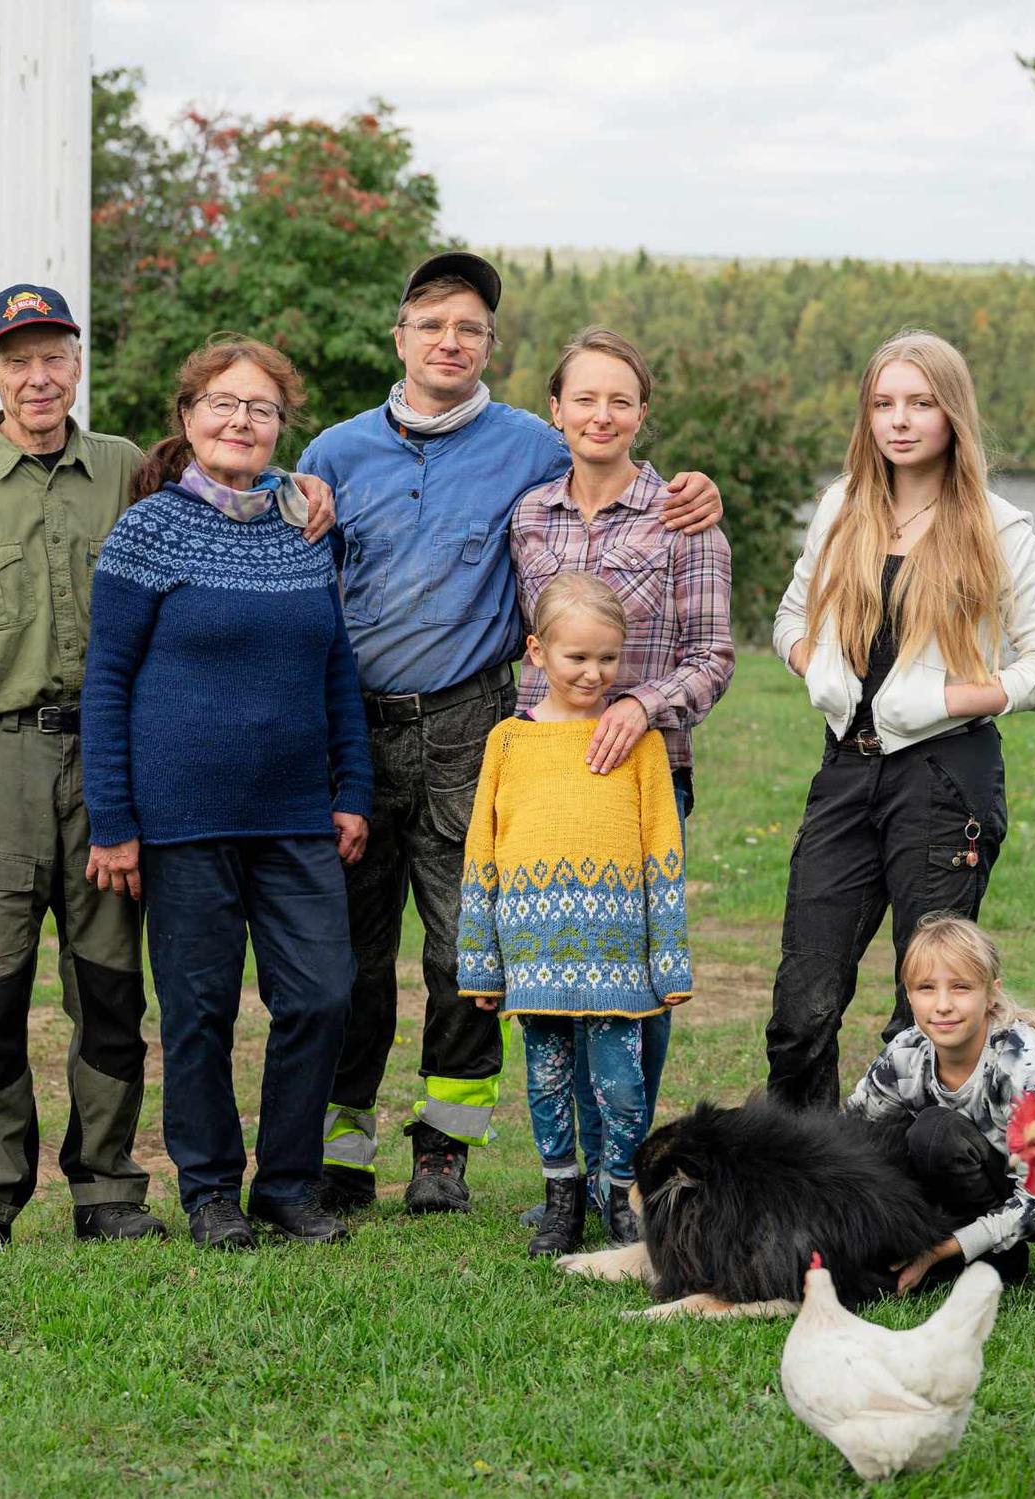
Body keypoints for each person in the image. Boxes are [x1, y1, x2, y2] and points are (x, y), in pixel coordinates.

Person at [297, 251, 722, 1216]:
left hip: (468, 723)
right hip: (354, 727)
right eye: (431, 325)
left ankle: (443, 1150)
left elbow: (610, 460)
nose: (450, 342)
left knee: (464, 948)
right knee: (346, 953)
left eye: (471, 329)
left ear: (492, 345)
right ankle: (341, 1144)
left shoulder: (528, 445)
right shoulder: (332, 453)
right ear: (398, 338)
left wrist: (695, 492)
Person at [80, 337, 371, 1251]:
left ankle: (287, 1187)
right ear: (187, 418)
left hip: (294, 815)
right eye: (222, 403)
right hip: (181, 821)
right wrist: (115, 820)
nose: (240, 421)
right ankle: (209, 1190)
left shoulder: (303, 526)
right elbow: (107, 678)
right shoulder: (147, 530)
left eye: (260, 409)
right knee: (198, 1012)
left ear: (283, 428)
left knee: (322, 996)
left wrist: (351, 787)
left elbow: (335, 670)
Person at [767, 330, 1035, 1109]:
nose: (898, 421)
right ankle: (806, 1182)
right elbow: (789, 617)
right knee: (801, 1006)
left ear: (952, 415)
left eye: (919, 403)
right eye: (882, 403)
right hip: (846, 768)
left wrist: (944, 699)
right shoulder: (841, 505)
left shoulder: (996, 528)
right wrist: (822, 668)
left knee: (922, 1011)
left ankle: (905, 1186)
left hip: (942, 783)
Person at [507, 328, 734, 1224]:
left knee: (632, 979)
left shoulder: (681, 514)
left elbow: (712, 655)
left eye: (620, 400)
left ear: (642, 414)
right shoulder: (528, 516)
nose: (601, 415)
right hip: (545, 780)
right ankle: (562, 1178)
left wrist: (642, 706)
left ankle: (624, 1175)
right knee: (552, 973)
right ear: (555, 410)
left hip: (642, 774)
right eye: (583, 398)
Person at [456, 573, 691, 1253]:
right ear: (536, 652)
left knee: (621, 1084)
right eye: (575, 657)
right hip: (533, 954)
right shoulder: (507, 741)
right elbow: (482, 851)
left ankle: (621, 1196)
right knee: (547, 1079)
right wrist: (481, 962)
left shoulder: (638, 743)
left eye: (607, 659)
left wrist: (668, 955)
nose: (592, 673)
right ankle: (560, 1197)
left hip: (617, 956)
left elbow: (661, 854)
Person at [849, 915, 1035, 1314]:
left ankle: (976, 1246)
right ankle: (999, 1257)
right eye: (926, 988)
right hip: (1003, 1181)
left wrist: (938, 1249)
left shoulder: (1024, 1064)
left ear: (990, 993)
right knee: (932, 1134)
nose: (942, 1005)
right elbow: (853, 1133)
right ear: (908, 995)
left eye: (961, 987)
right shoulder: (905, 1055)